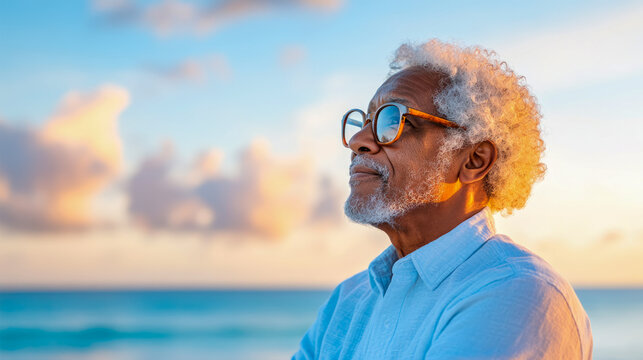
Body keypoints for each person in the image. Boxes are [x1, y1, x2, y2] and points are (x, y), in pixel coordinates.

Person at [292, 39, 593, 359]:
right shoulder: (349, 301)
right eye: (364, 122)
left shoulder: (519, 294)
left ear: (474, 160)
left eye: (391, 121)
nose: (357, 141)